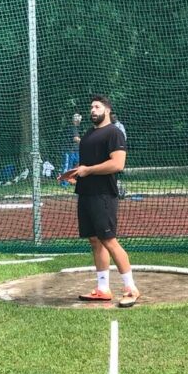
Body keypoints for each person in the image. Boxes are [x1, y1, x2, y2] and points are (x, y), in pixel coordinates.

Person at [60, 95, 140, 308]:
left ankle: (131, 288)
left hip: (103, 195)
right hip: (86, 193)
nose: (93, 110)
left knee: (109, 240)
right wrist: (75, 174)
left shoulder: (114, 133)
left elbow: (117, 164)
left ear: (107, 110)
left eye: (97, 107)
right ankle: (103, 289)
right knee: (95, 240)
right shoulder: (88, 134)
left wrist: (88, 170)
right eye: (91, 107)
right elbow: (87, 165)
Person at [60, 113, 82, 187]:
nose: (80, 121)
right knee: (67, 166)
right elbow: (76, 138)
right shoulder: (72, 127)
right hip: (69, 150)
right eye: (79, 120)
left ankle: (73, 180)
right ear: (77, 120)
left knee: (77, 166)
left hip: (75, 150)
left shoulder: (76, 128)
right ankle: (64, 183)